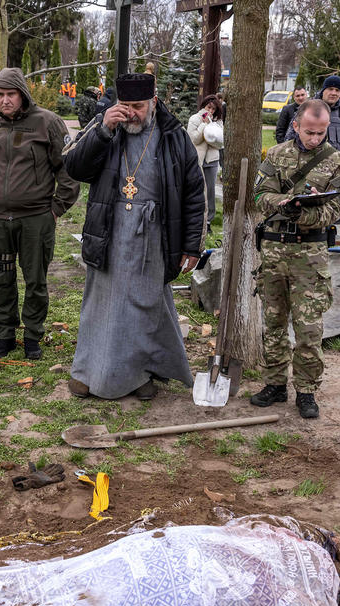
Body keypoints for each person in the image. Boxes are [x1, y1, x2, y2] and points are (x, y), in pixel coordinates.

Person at [62, 73, 203, 401]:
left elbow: (194, 192)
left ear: (153, 102)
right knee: (101, 305)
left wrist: (192, 244)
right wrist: (103, 130)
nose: (131, 113)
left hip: (153, 235)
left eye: (138, 106)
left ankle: (137, 374)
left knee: (142, 306)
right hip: (109, 231)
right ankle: (87, 372)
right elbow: (74, 167)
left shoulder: (174, 136)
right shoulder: (105, 127)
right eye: (124, 106)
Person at [250, 99, 340, 419]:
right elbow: (258, 195)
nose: (315, 139)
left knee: (309, 329)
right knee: (274, 323)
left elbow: (339, 207)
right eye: (310, 132)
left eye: (321, 133)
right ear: (296, 126)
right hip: (275, 251)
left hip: (310, 256)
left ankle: (306, 391)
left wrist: (304, 214)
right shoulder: (277, 155)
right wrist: (284, 204)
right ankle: (275, 384)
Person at [0, 67, 79, 360]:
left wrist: (56, 208)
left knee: (35, 279)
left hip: (36, 217)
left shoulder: (47, 122)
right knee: (1, 278)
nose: (5, 100)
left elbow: (68, 167)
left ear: (22, 94)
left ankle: (33, 335)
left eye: (10, 94)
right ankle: (5, 334)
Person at [187, 93, 224, 226]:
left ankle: (209, 220)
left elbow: (219, 142)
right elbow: (194, 139)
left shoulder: (218, 122)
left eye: (213, 109)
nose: (210, 111)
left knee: (211, 190)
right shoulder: (195, 119)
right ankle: (196, 217)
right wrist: (204, 126)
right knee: (198, 189)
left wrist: (211, 130)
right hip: (198, 159)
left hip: (212, 160)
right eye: (209, 107)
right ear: (204, 106)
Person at [315, 75, 340, 158]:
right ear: (323, 90)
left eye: (337, 90)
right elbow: (292, 137)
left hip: (337, 165)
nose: (333, 93)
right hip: (313, 166)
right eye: (330, 89)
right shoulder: (309, 108)